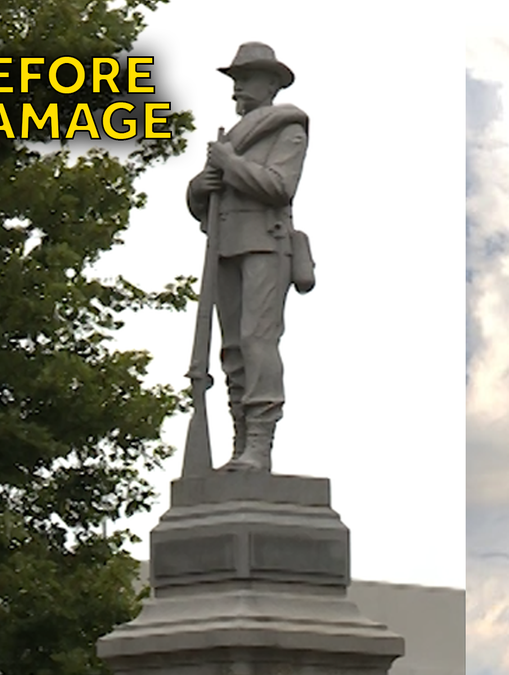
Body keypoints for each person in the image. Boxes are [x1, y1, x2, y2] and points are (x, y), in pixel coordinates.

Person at [186, 42, 308, 470]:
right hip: (224, 245)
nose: (237, 87)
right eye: (235, 78)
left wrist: (229, 163)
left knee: (258, 342)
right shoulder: (232, 140)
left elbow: (279, 186)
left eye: (246, 77)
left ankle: (260, 443)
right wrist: (201, 186)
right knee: (233, 349)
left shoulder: (287, 129)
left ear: (272, 82)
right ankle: (240, 443)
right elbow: (201, 195)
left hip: (264, 242)